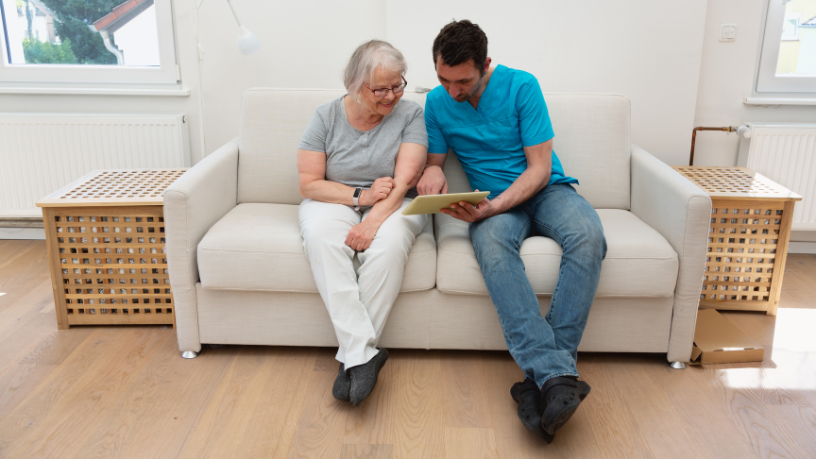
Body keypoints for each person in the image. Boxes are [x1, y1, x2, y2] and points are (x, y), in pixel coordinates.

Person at [417, 20, 607, 442]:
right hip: (493, 204)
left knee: (589, 236)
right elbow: (434, 159)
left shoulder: (522, 86)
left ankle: (540, 380)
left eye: (462, 80)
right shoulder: (435, 102)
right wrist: (432, 174)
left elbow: (539, 168)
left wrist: (494, 206)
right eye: (443, 79)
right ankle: (556, 379)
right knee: (493, 249)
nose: (453, 90)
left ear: (485, 64)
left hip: (544, 191)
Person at [297, 40, 428, 406]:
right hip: (338, 198)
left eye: (398, 84)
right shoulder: (325, 117)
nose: (392, 96)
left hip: (394, 202)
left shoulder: (410, 114)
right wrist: (360, 197)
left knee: (387, 246)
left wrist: (373, 222)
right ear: (355, 85)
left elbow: (403, 183)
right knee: (324, 237)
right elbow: (309, 183)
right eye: (381, 89)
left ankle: (352, 358)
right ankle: (364, 354)